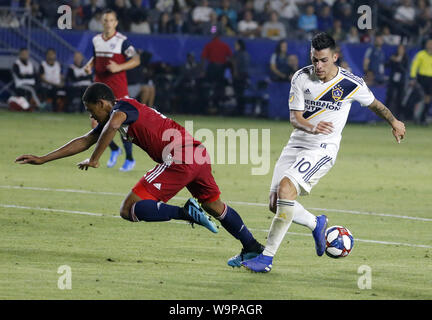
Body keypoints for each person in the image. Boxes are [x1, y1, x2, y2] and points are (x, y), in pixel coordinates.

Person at [15, 82, 264, 268]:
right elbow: (86, 139)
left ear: (103, 103)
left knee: (128, 208)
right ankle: (252, 247)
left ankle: (185, 212)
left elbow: (112, 126)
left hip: (179, 157)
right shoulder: (118, 112)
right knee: (214, 206)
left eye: (92, 111)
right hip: (196, 154)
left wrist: (95, 159)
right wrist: (43, 158)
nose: (91, 117)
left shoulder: (122, 109)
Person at [242, 32, 406, 273]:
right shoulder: (301, 77)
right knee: (276, 203)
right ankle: (316, 223)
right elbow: (295, 118)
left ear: (335, 57)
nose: (318, 65)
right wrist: (312, 126)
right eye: (315, 59)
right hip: (297, 142)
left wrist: (394, 122)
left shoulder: (351, 83)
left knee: (287, 190)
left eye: (324, 60)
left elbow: (375, 105)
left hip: (322, 149)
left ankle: (267, 258)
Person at [84, 9, 141, 171]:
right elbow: (96, 57)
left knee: (122, 127)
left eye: (111, 20)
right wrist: (89, 65)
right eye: (105, 20)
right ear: (102, 22)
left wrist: (119, 67)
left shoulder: (123, 41)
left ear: (115, 23)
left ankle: (129, 158)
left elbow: (136, 60)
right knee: (95, 123)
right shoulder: (96, 40)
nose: (108, 23)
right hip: (100, 90)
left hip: (117, 89)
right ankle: (114, 149)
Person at [409, 38, 432, 125]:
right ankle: (414, 117)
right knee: (420, 98)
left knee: (427, 99)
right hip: (422, 78)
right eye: (429, 43)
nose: (430, 46)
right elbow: (414, 66)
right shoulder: (420, 54)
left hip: (430, 79)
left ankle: (422, 118)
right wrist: (412, 77)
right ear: (426, 45)